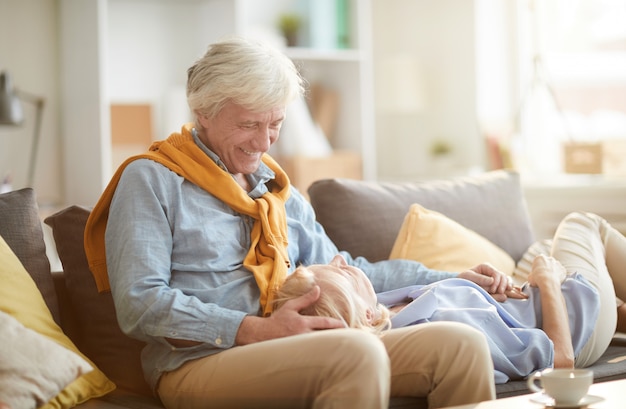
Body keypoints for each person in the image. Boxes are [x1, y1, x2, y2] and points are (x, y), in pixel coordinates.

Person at [82, 36, 520, 409]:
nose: (264, 141)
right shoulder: (153, 179)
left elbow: (348, 268)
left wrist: (448, 277)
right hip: (197, 362)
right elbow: (140, 304)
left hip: (303, 342)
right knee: (356, 351)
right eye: (249, 124)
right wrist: (255, 329)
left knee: (460, 344)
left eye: (275, 123)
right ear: (204, 113)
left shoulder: (276, 190)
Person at [274, 211, 626, 384]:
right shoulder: (442, 325)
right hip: (578, 315)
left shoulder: (386, 308)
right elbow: (560, 363)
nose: (339, 259)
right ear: (365, 317)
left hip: (534, 300)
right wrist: (547, 281)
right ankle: (612, 313)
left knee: (542, 247)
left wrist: (471, 284)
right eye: (341, 271)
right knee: (583, 222)